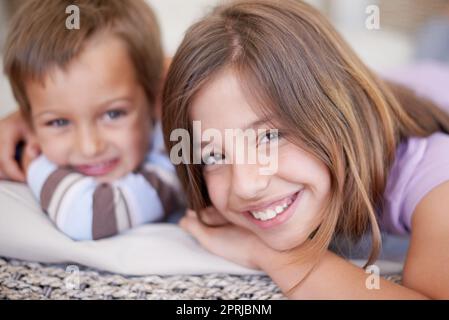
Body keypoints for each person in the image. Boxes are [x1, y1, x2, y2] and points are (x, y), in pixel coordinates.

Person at [162, 0, 449, 298]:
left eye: (270, 137)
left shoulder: (433, 174)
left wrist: (274, 255)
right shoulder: (207, 111)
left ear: (336, 114)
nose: (247, 186)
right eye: (214, 155)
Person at [0, 0, 183, 240]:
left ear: (155, 97)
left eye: (113, 114)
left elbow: (87, 217)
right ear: (29, 123)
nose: (89, 147)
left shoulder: (175, 161)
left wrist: (32, 161)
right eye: (59, 122)